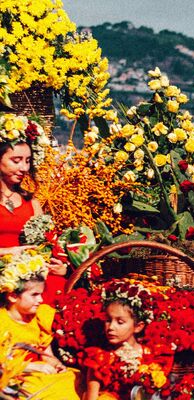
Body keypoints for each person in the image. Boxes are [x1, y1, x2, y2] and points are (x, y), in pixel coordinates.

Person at [0, 114, 66, 305]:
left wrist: (60, 265)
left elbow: (47, 244)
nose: (24, 167)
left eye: (28, 161)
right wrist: (9, 252)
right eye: (16, 160)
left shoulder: (31, 202)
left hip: (30, 277)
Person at [0, 251, 80, 399]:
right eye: (34, 295)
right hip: (18, 378)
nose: (41, 300)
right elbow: (3, 364)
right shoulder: (3, 322)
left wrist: (55, 364)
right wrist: (33, 367)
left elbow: (46, 353)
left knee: (79, 380)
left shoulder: (37, 316)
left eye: (41, 294)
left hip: (43, 373)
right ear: (12, 296)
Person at [83, 279, 170, 400]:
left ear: (138, 327)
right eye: (108, 320)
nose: (111, 327)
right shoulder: (100, 359)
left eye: (120, 322)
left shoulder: (153, 356)